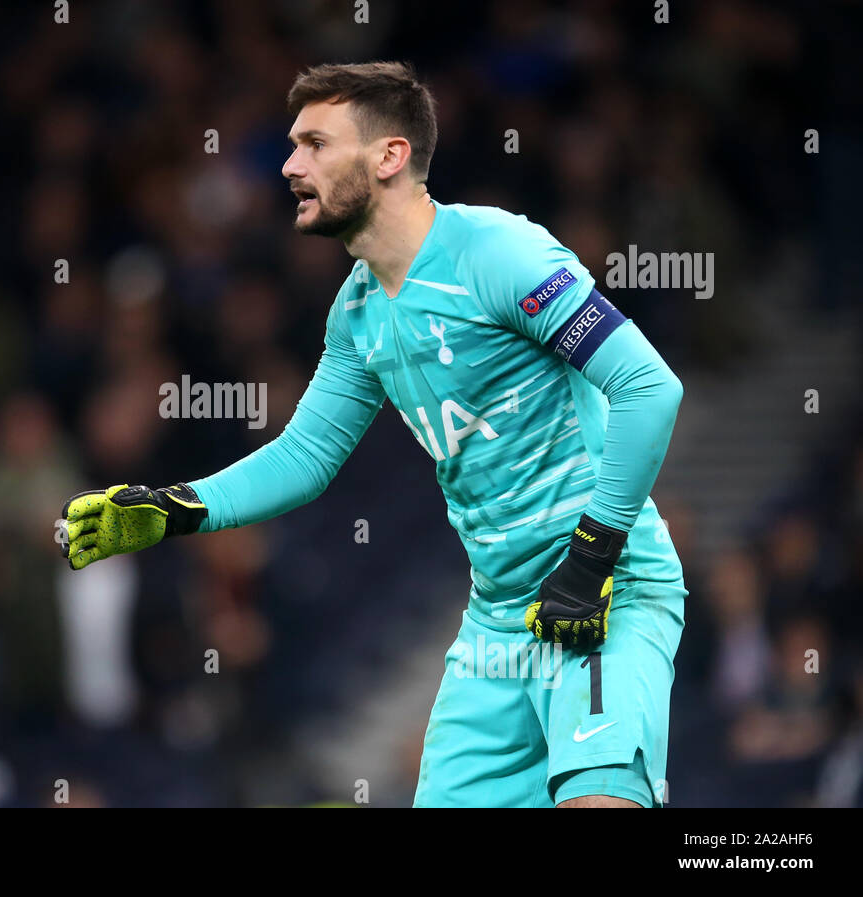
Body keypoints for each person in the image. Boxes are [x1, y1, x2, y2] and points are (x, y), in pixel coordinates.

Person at [56, 61, 686, 808]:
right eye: (293, 146)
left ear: (388, 156)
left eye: (315, 143)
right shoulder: (357, 311)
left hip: (605, 591)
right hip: (498, 625)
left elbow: (650, 388)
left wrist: (590, 560)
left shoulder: (496, 252)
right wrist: (173, 508)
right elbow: (307, 454)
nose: (290, 164)